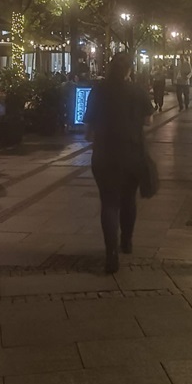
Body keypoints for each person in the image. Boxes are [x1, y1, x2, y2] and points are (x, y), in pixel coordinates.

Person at [84, 52, 153, 274]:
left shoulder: (98, 90)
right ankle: (127, 241)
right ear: (129, 70)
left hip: (105, 154)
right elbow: (148, 120)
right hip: (132, 153)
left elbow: (89, 127)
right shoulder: (137, 90)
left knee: (109, 202)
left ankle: (111, 253)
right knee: (129, 198)